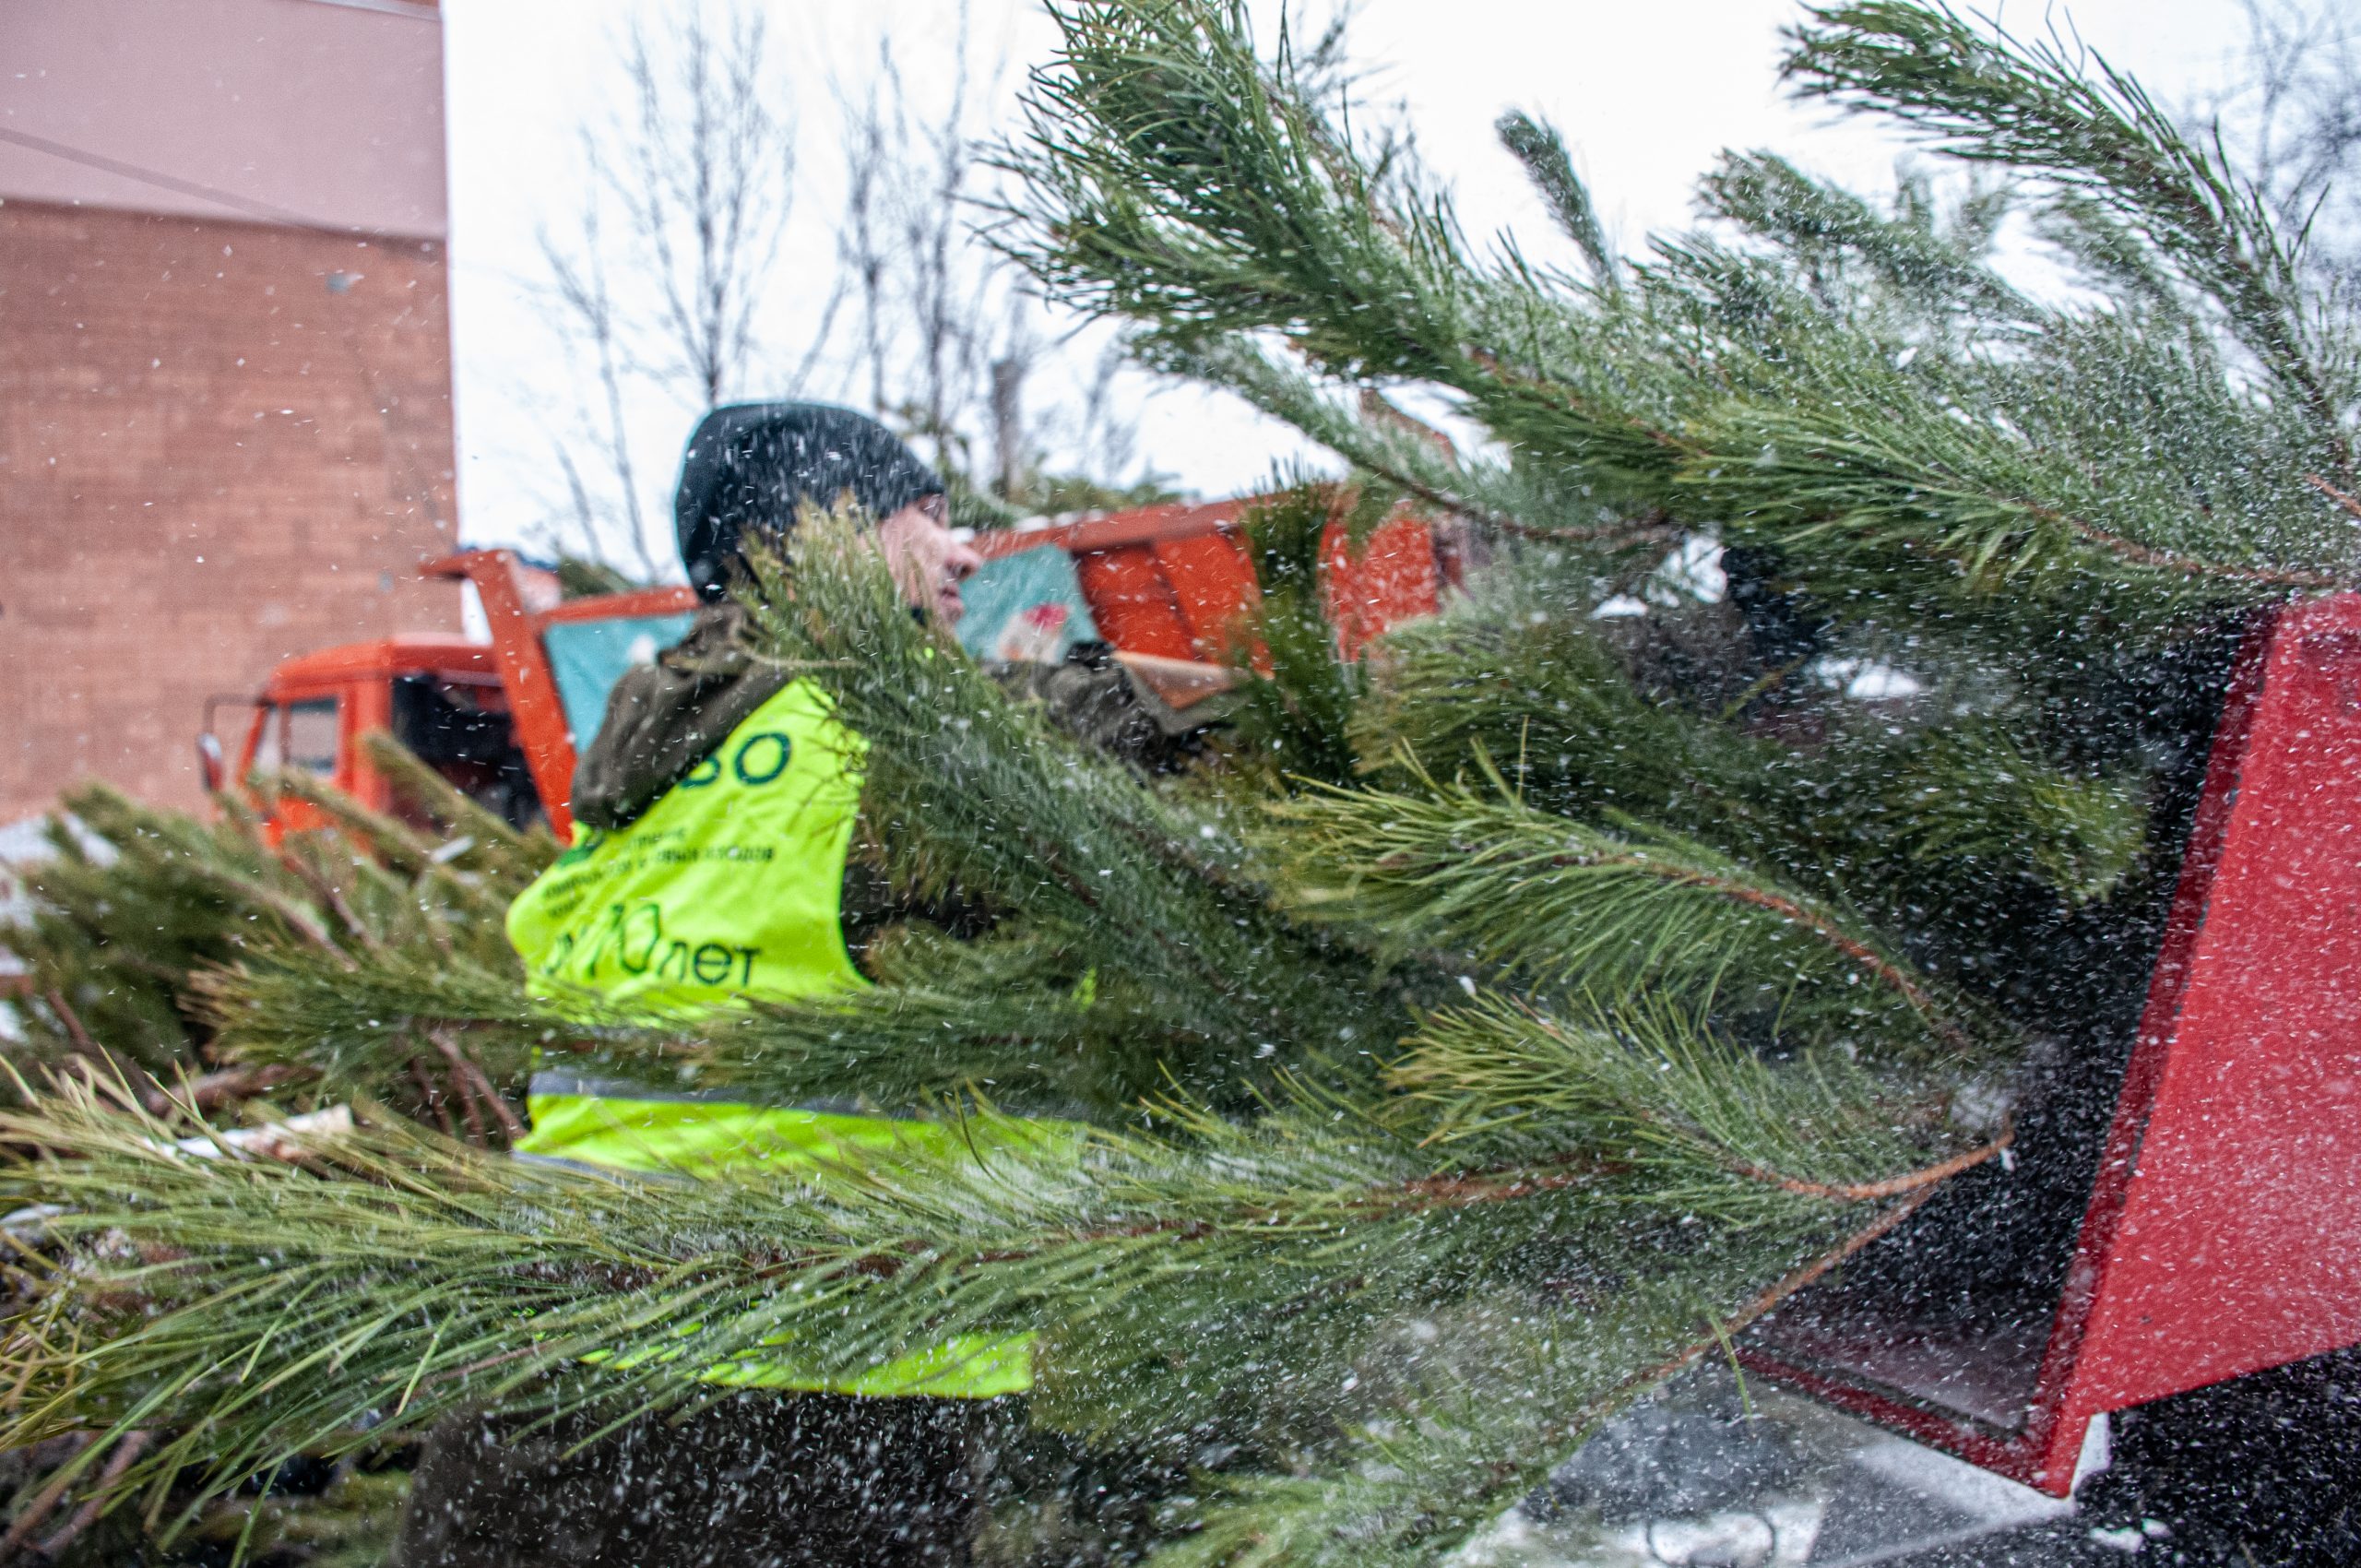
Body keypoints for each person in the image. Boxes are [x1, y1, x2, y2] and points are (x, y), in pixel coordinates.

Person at [394, 403, 1133, 1568]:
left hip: (537, 1376)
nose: (966, 551)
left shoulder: (652, 743)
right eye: (924, 518)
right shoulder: (904, 729)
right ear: (821, 535)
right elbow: (1199, 732)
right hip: (798, 1403)